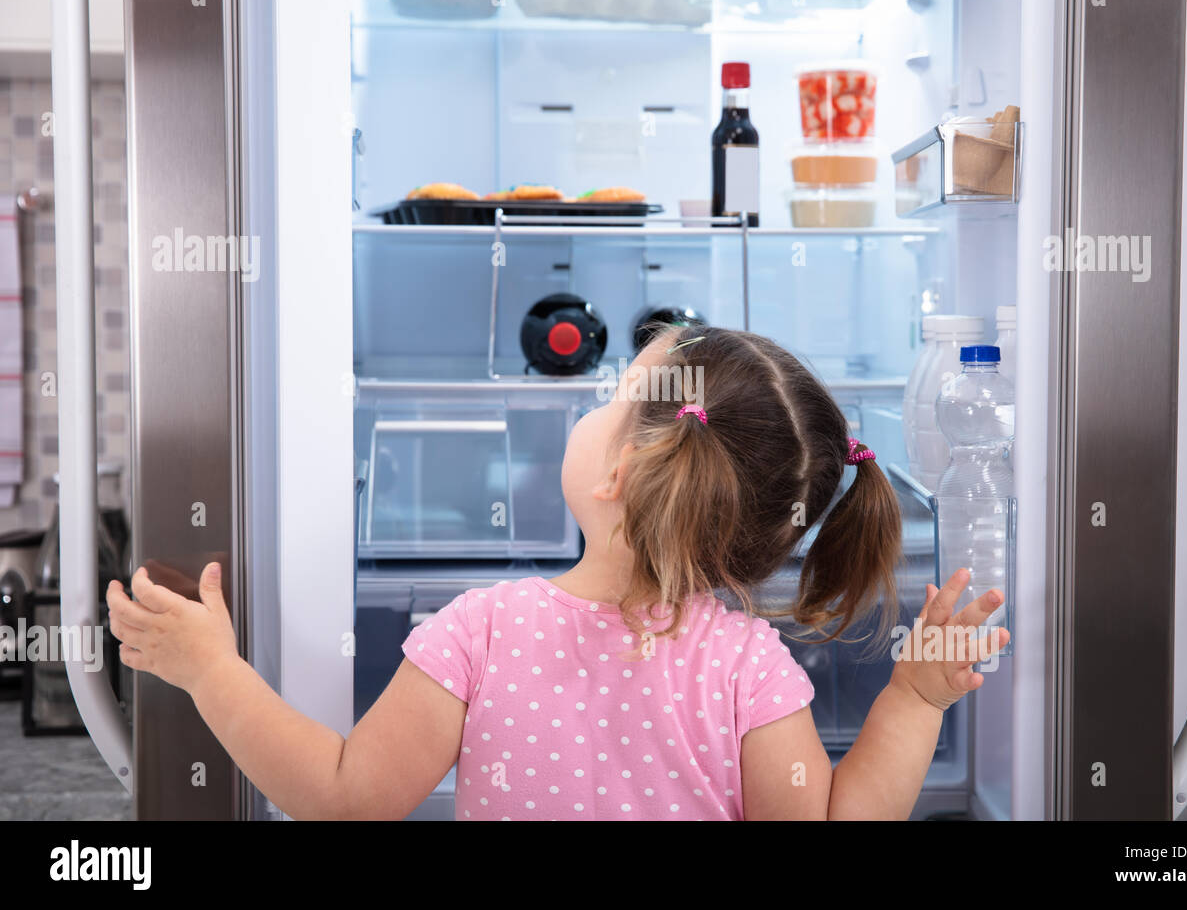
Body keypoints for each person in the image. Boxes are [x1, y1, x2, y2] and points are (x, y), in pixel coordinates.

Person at [106, 325, 1007, 820]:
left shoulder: (480, 630)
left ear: (620, 474)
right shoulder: (747, 668)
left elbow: (345, 799)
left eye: (611, 399)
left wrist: (211, 671)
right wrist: (914, 701)